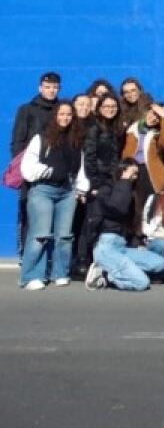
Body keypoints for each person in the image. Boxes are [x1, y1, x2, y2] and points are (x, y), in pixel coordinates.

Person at [18, 101, 83, 289]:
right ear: (55, 116)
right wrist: (48, 171)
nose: (65, 118)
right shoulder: (41, 138)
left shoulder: (76, 139)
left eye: (69, 114)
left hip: (68, 192)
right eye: (61, 114)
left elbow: (81, 167)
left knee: (64, 236)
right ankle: (31, 276)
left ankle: (60, 273)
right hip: (43, 191)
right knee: (40, 235)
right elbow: (27, 168)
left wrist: (80, 188)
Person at [85, 159, 164, 291]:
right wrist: (124, 181)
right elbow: (119, 208)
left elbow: (132, 226)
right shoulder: (107, 190)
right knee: (142, 283)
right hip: (106, 246)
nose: (134, 177)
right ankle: (105, 275)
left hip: (123, 246)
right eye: (132, 173)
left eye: (136, 174)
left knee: (160, 263)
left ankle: (115, 270)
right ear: (122, 171)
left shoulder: (131, 194)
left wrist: (138, 244)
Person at [10, 71, 63, 258]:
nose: (51, 90)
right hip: (32, 175)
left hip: (56, 173)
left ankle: (50, 258)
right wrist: (27, 170)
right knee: (29, 216)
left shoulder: (63, 110)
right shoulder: (27, 110)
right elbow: (17, 142)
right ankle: (26, 256)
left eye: (55, 87)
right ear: (40, 88)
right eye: (47, 87)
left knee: (55, 217)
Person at [75, 94, 124, 278]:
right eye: (106, 106)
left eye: (113, 106)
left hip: (113, 182)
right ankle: (82, 261)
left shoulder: (116, 129)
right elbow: (89, 157)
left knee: (105, 224)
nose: (110, 109)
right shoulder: (94, 128)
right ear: (99, 108)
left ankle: (100, 262)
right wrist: (94, 183)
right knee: (92, 222)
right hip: (99, 182)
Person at [121, 102, 164, 219]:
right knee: (129, 202)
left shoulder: (158, 134)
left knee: (147, 205)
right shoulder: (133, 129)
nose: (154, 117)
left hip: (149, 172)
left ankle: (144, 234)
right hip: (130, 169)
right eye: (153, 113)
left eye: (158, 116)